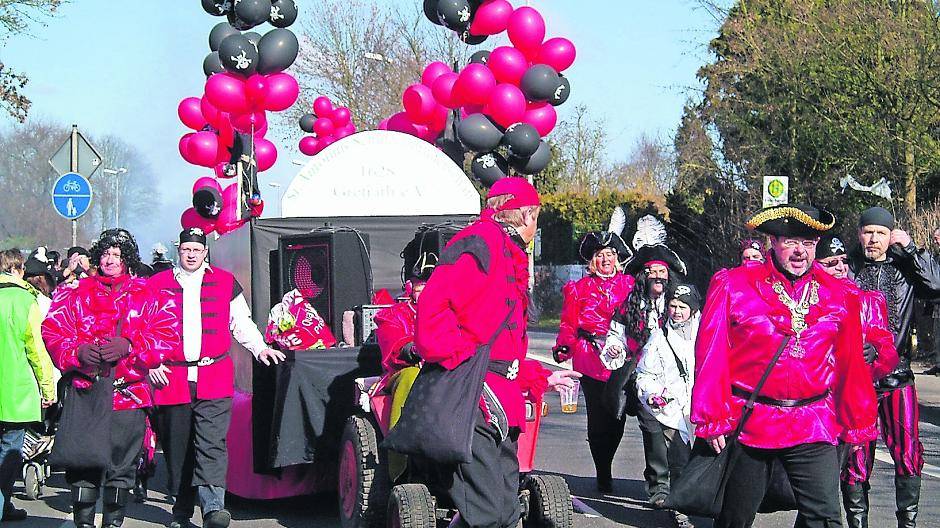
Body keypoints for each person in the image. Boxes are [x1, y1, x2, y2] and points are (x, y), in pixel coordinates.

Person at [692, 204, 878, 528]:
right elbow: (711, 354)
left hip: (813, 422)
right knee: (734, 518)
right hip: (752, 423)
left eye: (807, 243)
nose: (799, 251)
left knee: (825, 518)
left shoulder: (840, 294)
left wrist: (856, 419)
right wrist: (712, 417)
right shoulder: (734, 286)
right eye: (790, 242)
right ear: (772, 243)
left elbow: (851, 364)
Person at [414, 177, 581, 528]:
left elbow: (505, 349)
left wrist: (543, 376)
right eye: (535, 215)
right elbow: (432, 308)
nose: (536, 225)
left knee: (506, 511)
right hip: (473, 398)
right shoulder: (479, 242)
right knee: (488, 511)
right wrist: (462, 359)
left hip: (501, 400)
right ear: (522, 214)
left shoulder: (506, 251)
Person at [148, 227, 286, 528]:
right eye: (186, 250)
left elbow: (242, 323)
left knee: (211, 443)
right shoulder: (157, 284)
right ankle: (181, 509)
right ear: (178, 250)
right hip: (172, 378)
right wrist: (150, 362)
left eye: (197, 250)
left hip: (214, 376)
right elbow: (144, 328)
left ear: (205, 252)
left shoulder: (224, 282)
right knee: (179, 446)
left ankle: (213, 508)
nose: (191, 255)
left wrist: (260, 348)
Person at [42, 229, 179, 528]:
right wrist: (76, 352)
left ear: (128, 260)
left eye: (117, 255)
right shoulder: (74, 293)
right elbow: (52, 330)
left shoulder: (149, 294)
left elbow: (168, 335)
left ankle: (113, 523)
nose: (110, 260)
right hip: (86, 391)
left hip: (127, 394)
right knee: (83, 464)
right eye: (105, 254)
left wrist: (132, 346)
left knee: (121, 468)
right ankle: (84, 523)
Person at [847, 207, 940, 528]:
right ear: (859, 234)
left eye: (880, 233)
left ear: (891, 236)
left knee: (908, 452)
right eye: (868, 232)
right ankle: (857, 523)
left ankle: (908, 524)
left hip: (898, 377)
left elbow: (936, 286)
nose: (873, 239)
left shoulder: (906, 266)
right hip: (855, 381)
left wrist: (913, 250)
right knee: (856, 456)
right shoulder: (848, 267)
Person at [604, 214, 688, 509]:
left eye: (662, 272)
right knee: (653, 433)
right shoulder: (629, 305)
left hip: (680, 382)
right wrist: (614, 350)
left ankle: (682, 486)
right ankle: (658, 488)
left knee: (679, 433)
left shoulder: (683, 306)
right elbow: (614, 336)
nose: (657, 276)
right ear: (643, 276)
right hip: (645, 380)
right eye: (651, 271)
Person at [815, 233, 898, 528]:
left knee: (856, 471)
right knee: (815, 484)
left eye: (843, 261)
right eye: (830, 262)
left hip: (854, 404)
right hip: (815, 406)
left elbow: (887, 348)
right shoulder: (805, 302)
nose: (839, 267)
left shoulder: (868, 301)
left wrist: (876, 350)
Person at [552, 207, 635, 493]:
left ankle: (607, 457)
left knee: (617, 415)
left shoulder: (630, 285)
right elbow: (568, 324)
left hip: (622, 358)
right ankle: (603, 469)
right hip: (589, 358)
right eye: (600, 256)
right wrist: (563, 347)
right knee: (597, 418)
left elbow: (638, 320)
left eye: (610, 255)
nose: (605, 260)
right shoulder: (577, 289)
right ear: (592, 261)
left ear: (617, 259)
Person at [635, 282, 701, 528]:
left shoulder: (708, 333)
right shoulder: (659, 337)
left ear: (693, 309)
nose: (676, 311)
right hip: (671, 413)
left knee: (705, 461)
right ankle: (681, 509)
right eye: (673, 306)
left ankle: (705, 503)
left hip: (703, 410)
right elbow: (644, 375)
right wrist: (653, 393)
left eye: (682, 307)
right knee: (679, 462)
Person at [0, 249, 56, 522]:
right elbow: (36, 349)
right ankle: (2, 501)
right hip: (16, 391)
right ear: (19, 270)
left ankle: (5, 504)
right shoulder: (26, 301)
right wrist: (48, 388)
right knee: (11, 451)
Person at [925, 226, 940, 376]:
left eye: (937, 237)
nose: (935, 241)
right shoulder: (935, 256)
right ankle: (938, 363)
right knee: (937, 334)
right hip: (937, 303)